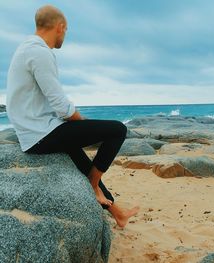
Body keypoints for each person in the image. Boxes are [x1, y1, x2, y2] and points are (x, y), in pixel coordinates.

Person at [6, 5, 139, 228]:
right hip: (40, 133)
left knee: (81, 158)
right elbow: (61, 105)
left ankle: (118, 213)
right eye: (66, 30)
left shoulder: (25, 49)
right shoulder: (40, 53)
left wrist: (79, 129)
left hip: (36, 131)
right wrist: (84, 125)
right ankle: (93, 186)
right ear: (60, 27)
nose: (65, 35)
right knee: (117, 130)